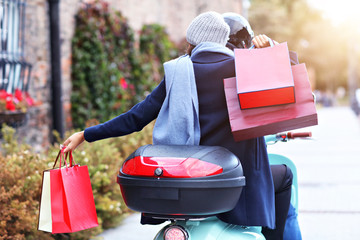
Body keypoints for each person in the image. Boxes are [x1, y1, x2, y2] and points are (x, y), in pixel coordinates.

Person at [63, 11, 287, 240]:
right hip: (238, 176)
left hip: (188, 177)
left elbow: (136, 118)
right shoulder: (243, 68)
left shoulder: (178, 72)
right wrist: (270, 50)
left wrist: (86, 134)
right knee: (285, 176)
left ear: (192, 41)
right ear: (223, 40)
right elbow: (291, 94)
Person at [223, 12, 300, 240]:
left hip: (202, 166)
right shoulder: (246, 73)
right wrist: (271, 50)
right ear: (247, 45)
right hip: (241, 167)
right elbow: (293, 80)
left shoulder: (194, 69)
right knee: (285, 183)